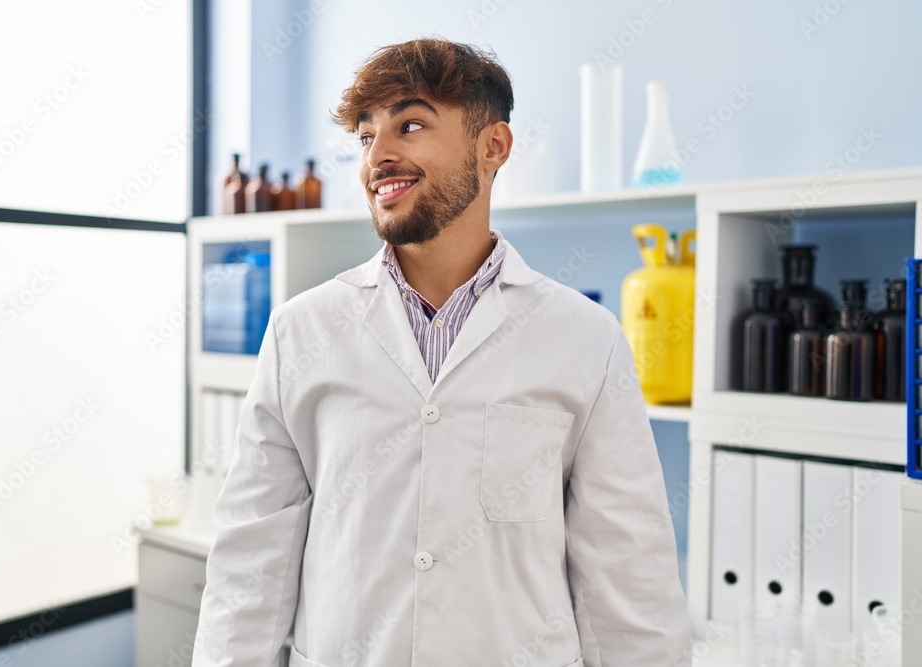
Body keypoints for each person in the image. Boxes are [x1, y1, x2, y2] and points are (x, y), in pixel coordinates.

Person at [193, 38, 691, 667]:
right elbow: (250, 565)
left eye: (410, 124)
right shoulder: (301, 331)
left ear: (493, 148)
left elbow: (629, 577)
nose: (380, 156)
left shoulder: (585, 339)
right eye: (366, 135)